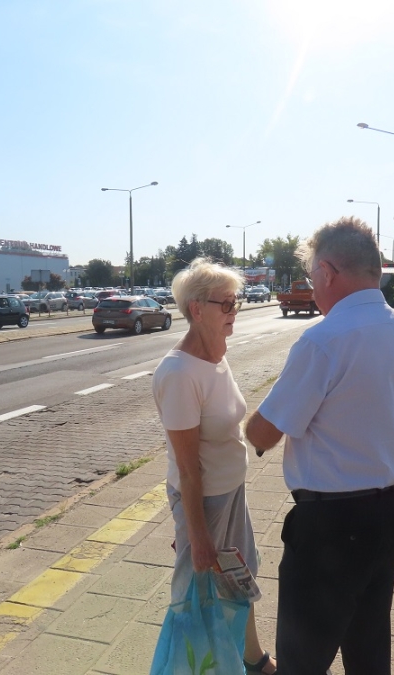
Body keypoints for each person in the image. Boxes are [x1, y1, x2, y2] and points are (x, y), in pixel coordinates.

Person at [245, 217, 394, 674]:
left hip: (333, 524)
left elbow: (264, 434)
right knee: (369, 643)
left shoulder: (323, 341)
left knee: (302, 659)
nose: (312, 289)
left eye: (311, 277)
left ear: (327, 272)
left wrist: (245, 421)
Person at [151, 258, 276, 675]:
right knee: (197, 597)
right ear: (196, 309)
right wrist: (198, 536)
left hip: (230, 491)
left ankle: (253, 659)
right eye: (226, 304)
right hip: (204, 502)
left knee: (240, 576)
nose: (233, 311)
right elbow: (188, 470)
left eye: (235, 302)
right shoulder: (179, 373)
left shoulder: (216, 356)